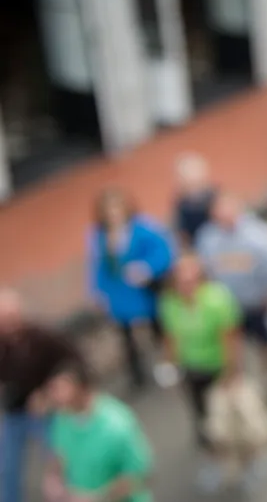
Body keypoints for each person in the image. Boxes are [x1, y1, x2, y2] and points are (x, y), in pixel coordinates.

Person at [158, 252, 243, 492]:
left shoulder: (217, 300)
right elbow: (170, 337)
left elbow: (230, 337)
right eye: (181, 281)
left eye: (191, 279)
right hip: (191, 370)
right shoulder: (170, 303)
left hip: (217, 369)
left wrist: (231, 371)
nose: (186, 286)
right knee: (202, 418)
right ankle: (214, 459)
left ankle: (244, 459)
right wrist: (170, 367)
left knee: (228, 417)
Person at [195, 192, 267, 407]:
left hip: (257, 305)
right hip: (227, 309)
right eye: (218, 213)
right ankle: (244, 388)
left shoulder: (260, 237)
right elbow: (205, 270)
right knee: (233, 349)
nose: (224, 217)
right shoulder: (207, 238)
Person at [0, 289, 83, 502]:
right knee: (7, 467)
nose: (7, 324)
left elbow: (73, 361)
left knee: (59, 461)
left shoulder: (42, 337)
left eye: (10, 317)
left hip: (44, 413)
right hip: (13, 413)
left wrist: (47, 394)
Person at [88, 189, 175, 391]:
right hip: (120, 294)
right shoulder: (100, 236)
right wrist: (97, 291)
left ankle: (168, 361)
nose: (113, 214)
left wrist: (147, 268)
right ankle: (137, 375)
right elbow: (98, 266)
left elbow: (163, 251)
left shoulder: (142, 228)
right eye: (109, 210)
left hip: (143, 291)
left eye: (117, 208)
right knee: (126, 337)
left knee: (158, 328)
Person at [42, 363, 153, 502]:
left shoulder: (117, 425)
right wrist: (53, 477)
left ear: (82, 387)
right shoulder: (62, 418)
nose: (54, 396)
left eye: (61, 389)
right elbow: (60, 454)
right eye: (52, 389)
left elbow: (138, 476)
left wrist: (97, 498)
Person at [173, 152, 217, 249]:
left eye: (197, 183)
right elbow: (180, 233)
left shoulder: (217, 199)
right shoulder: (181, 205)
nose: (194, 189)